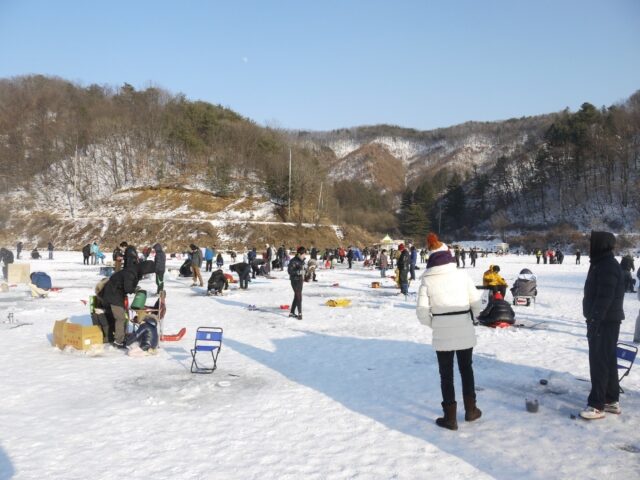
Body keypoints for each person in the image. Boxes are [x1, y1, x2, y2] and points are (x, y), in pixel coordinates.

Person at [416, 233, 483, 431]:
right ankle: (471, 410)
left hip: (442, 331)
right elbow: (476, 303)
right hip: (464, 327)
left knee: (446, 375)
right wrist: (473, 318)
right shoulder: (462, 275)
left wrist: (435, 323)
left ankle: (450, 418)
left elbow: (421, 312)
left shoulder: (427, 280)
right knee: (466, 369)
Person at [580, 231, 625, 420]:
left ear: (600, 244)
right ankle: (611, 400)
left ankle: (597, 404)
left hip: (605, 321)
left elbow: (604, 298)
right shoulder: (601, 263)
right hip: (606, 320)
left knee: (599, 361)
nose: (590, 245)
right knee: (607, 359)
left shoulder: (607, 265)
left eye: (592, 242)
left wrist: (594, 321)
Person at [101, 260, 155, 348]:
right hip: (113, 295)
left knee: (122, 317)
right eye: (147, 272)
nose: (146, 274)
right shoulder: (131, 273)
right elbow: (128, 288)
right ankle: (118, 341)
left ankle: (121, 336)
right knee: (120, 318)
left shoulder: (135, 271)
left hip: (117, 294)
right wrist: (135, 289)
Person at [288, 247, 306, 320]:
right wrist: (298, 272)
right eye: (303, 254)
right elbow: (290, 271)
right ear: (299, 254)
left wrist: (306, 274)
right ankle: (300, 313)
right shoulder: (293, 261)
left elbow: (303, 270)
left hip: (300, 280)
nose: (304, 256)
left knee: (296, 296)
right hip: (294, 281)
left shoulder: (302, 261)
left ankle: (292, 312)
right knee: (299, 296)